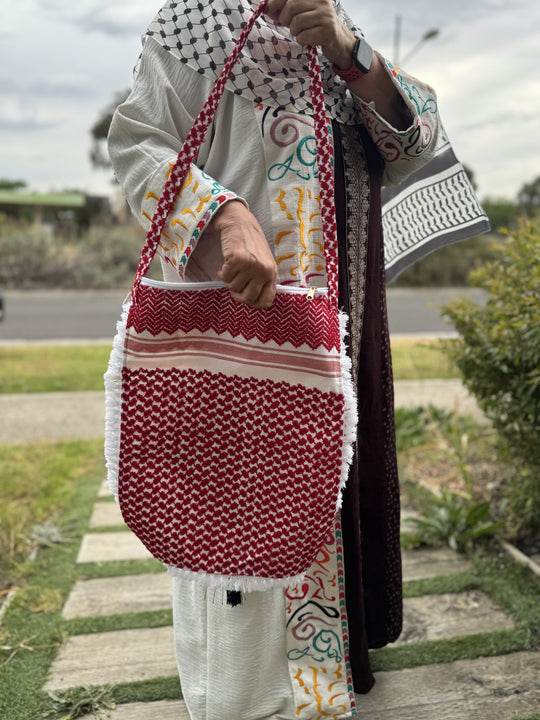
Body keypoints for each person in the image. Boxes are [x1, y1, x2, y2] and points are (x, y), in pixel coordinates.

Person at [108, 1, 486, 718]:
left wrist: (349, 49)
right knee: (241, 490)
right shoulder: (192, 20)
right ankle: (256, 699)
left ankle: (332, 670)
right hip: (241, 320)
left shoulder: (328, 21)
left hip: (340, 315)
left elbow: (414, 139)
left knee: (327, 472)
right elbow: (136, 144)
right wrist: (222, 215)